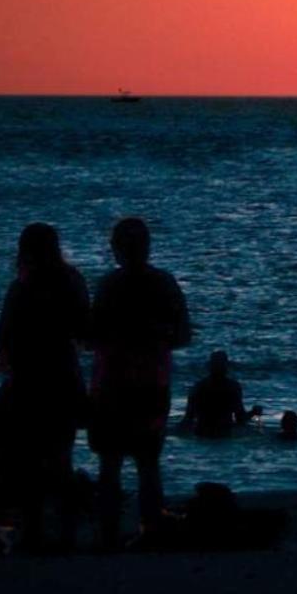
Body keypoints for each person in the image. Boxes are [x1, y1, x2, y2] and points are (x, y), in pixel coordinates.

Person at [88, 216, 192, 550]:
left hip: (112, 382)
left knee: (110, 461)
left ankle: (107, 532)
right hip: (152, 378)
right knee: (148, 460)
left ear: (116, 249)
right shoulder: (164, 283)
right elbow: (183, 334)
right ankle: (150, 527)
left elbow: (92, 335)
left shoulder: (108, 286)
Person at [0, 223, 90, 548]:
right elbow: (85, 331)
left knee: (29, 459)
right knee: (61, 456)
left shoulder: (21, 287)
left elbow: (3, 336)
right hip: (63, 376)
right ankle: (67, 530)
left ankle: (33, 529)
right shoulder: (72, 281)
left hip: (29, 380)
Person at [182, 350, 258, 436]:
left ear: (210, 366)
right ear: (226, 366)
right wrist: (254, 412)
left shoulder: (199, 387)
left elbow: (188, 420)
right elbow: (240, 419)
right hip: (223, 433)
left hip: (202, 433)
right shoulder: (233, 387)